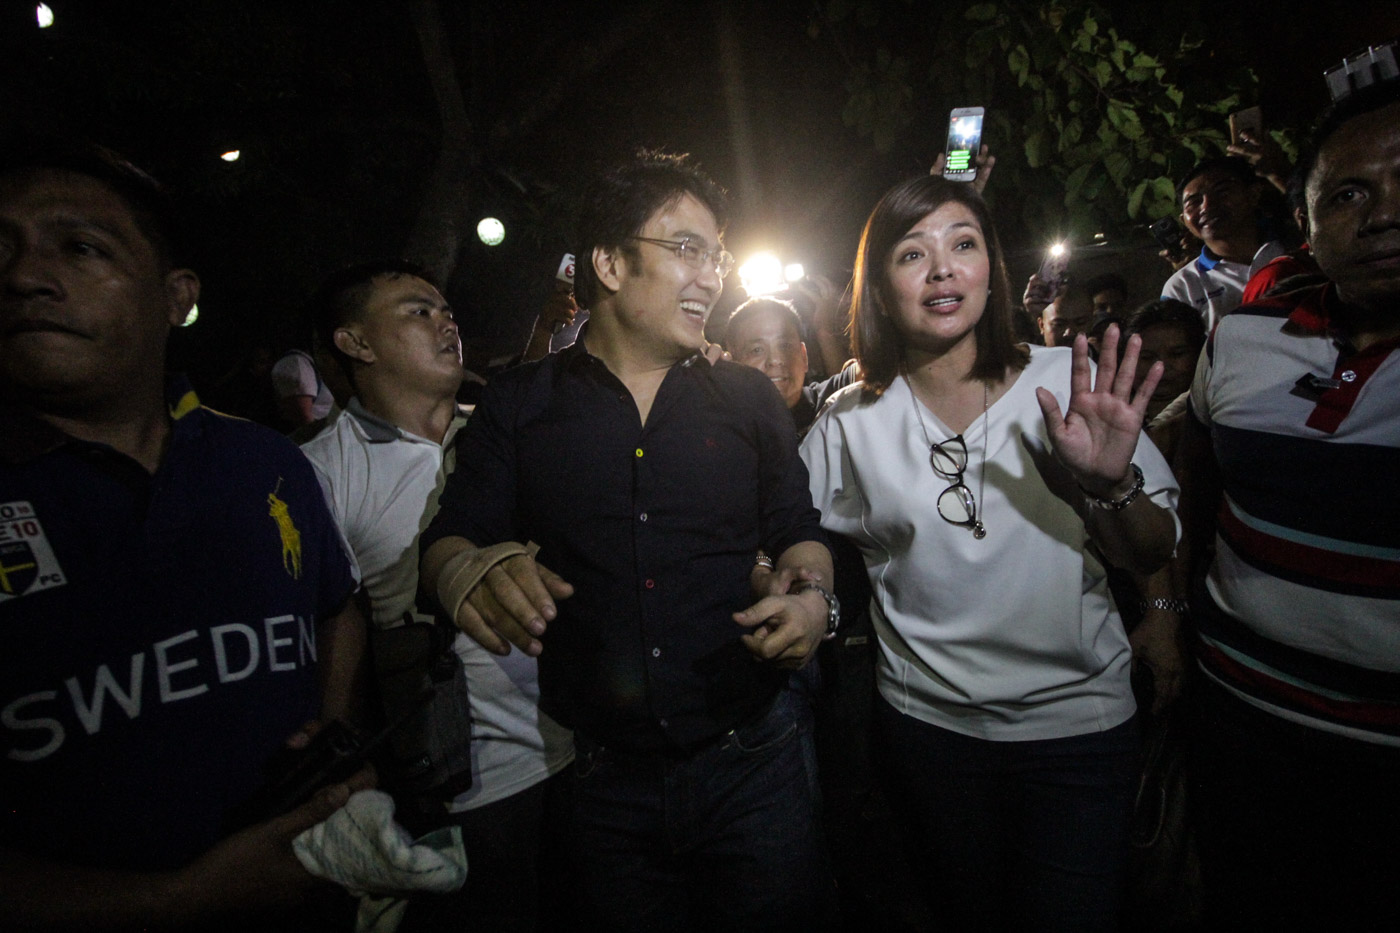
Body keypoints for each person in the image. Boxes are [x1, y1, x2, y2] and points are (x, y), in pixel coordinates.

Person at [418, 150, 836, 932]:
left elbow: (799, 534)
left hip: (756, 758)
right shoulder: (520, 402)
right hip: (600, 780)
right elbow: (449, 540)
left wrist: (814, 601)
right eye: (687, 249)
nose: (711, 276)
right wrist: (471, 570)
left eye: (718, 254)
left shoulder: (746, 398)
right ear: (609, 263)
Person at [0, 139, 370, 930]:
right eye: (2, 250)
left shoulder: (265, 463)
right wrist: (173, 900)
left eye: (80, 247)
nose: (24, 275)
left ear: (176, 295)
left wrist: (330, 732)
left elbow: (337, 604)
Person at [800, 174, 1179, 933]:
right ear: (880, 286)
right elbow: (785, 528)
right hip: (928, 734)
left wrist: (1108, 484)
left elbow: (1152, 546)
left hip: (1077, 729)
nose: (942, 269)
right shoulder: (850, 419)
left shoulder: (1065, 382)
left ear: (990, 268)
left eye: (962, 244)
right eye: (913, 254)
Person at [1176, 78, 1400, 931]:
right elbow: (1193, 499)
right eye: (1350, 192)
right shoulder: (1238, 338)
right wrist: (1169, 609)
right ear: (1306, 226)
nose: (1382, 214)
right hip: (1239, 726)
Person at [300, 260, 574, 931]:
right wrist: (337, 774)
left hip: (587, 747)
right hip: (471, 791)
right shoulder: (321, 470)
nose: (446, 320)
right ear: (356, 343)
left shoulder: (506, 432)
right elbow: (336, 624)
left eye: (447, 309)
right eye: (417, 310)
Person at [1160, 156, 1289, 329]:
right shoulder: (1182, 287)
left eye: (1222, 192)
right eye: (1194, 202)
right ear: (1184, 221)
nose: (1207, 206)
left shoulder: (1296, 247)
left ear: (1253, 194)